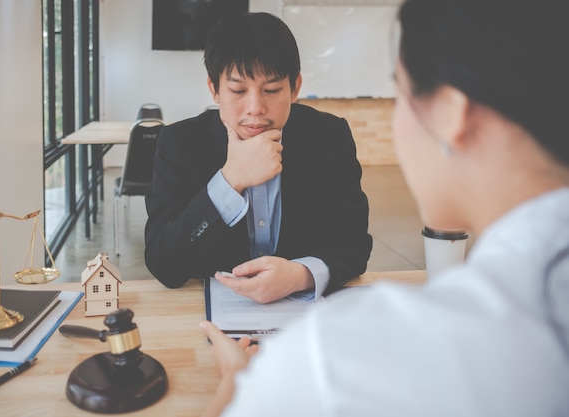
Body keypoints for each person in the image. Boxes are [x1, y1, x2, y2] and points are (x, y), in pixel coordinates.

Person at [200, 0, 569, 415]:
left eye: (400, 94)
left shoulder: (339, 356)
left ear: (451, 112)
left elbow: (353, 241)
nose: (255, 107)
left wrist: (235, 379)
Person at [144, 12, 373, 303]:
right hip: (208, 319)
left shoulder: (330, 136)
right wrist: (229, 181)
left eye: (272, 90)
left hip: (306, 319)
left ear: (295, 88)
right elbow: (164, 263)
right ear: (214, 89)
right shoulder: (179, 144)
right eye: (238, 90)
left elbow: (353, 243)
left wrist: (299, 274)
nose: (255, 108)